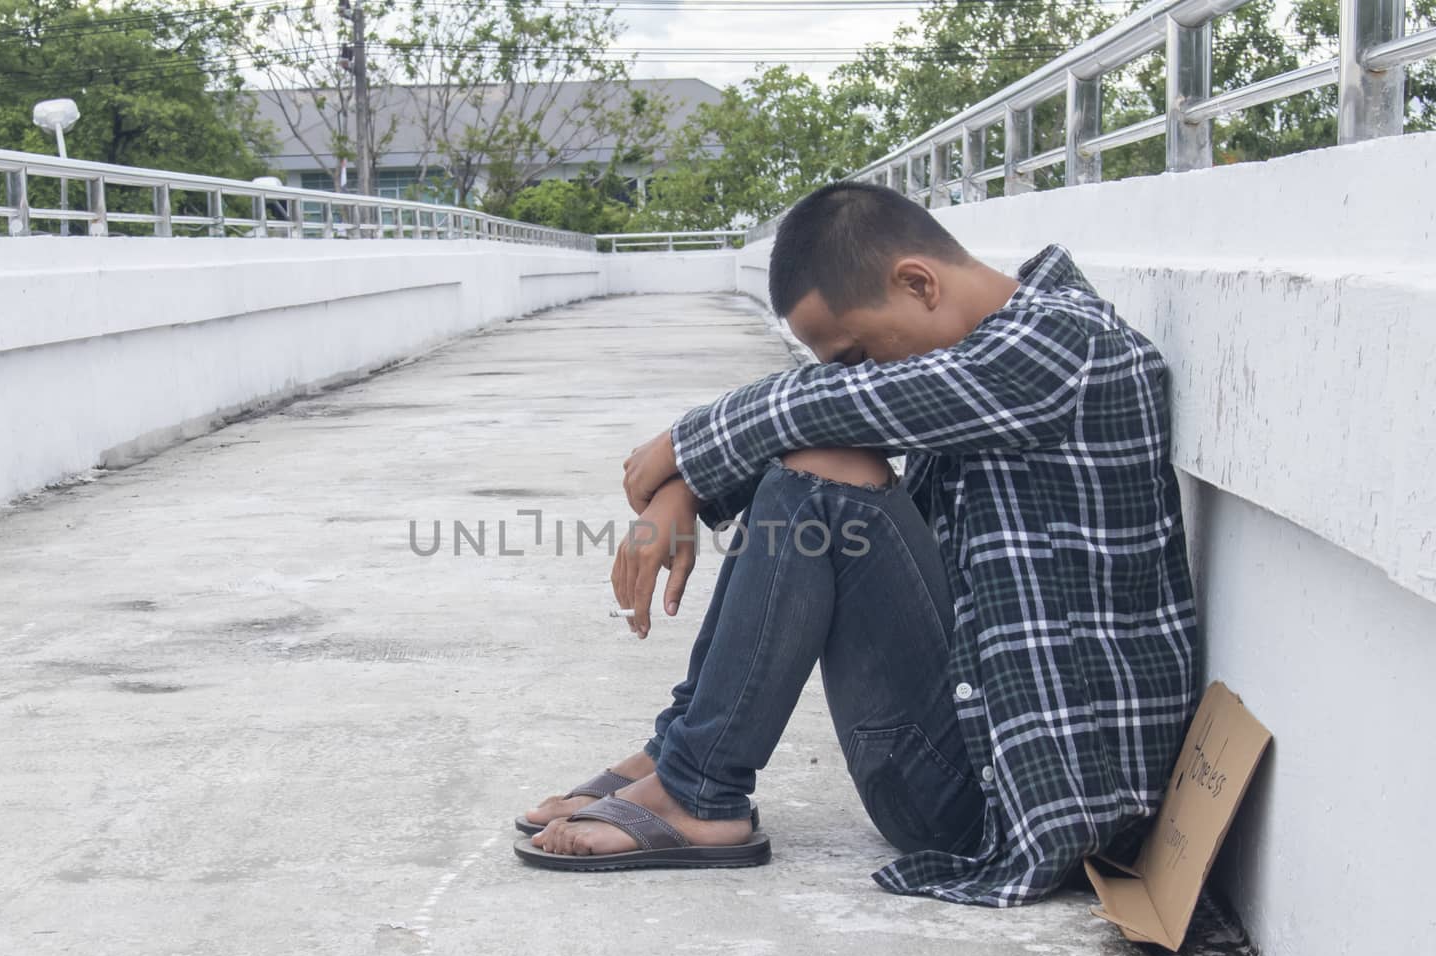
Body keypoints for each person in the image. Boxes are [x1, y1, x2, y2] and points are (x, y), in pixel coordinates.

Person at [513, 181, 1198, 906]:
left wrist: (682, 451)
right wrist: (687, 488)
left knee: (821, 475)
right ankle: (681, 754)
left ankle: (696, 786)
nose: (858, 373)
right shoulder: (982, 359)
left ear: (917, 283)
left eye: (859, 352)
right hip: (960, 762)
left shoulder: (1063, 348)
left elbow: (831, 405)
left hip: (1031, 798)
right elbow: (831, 409)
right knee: (813, 466)